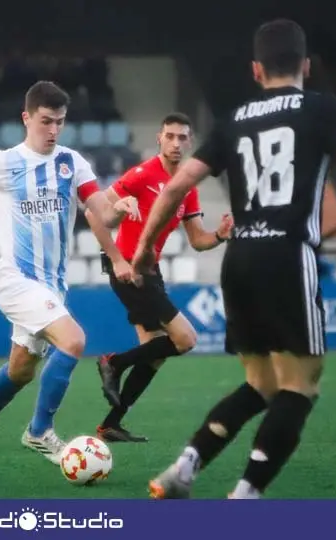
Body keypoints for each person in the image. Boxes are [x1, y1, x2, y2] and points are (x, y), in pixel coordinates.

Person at [134, 19, 336, 500]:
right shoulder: (321, 108)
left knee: (261, 383)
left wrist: (146, 248)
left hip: (241, 258)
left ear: (256, 69)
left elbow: (175, 185)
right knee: (301, 386)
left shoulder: (233, 120)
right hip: (289, 256)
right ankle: (245, 496)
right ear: (307, 66)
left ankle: (186, 465)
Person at [0, 81, 140, 468]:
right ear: (27, 118)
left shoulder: (72, 163)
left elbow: (102, 212)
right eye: (46, 121)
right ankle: (40, 431)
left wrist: (120, 206)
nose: (53, 130)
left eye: (60, 122)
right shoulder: (2, 163)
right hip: (15, 278)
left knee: (20, 371)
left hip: (52, 285)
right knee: (73, 340)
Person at [86, 113, 233, 443]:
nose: (176, 143)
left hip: (151, 271)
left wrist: (221, 235)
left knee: (154, 354)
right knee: (186, 339)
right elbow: (94, 212)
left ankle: (110, 424)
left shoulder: (187, 187)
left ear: (190, 142)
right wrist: (117, 259)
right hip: (129, 270)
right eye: (170, 136)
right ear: (159, 138)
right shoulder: (141, 174)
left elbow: (197, 241)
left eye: (182, 137)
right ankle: (113, 361)